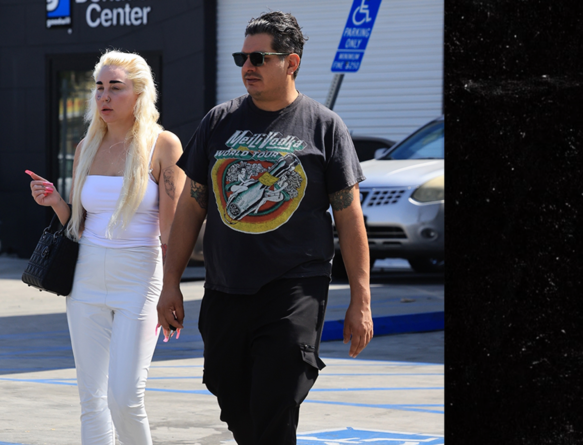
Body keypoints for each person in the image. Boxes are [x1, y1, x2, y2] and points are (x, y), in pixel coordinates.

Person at [156, 11, 374, 445]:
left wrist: (361, 301)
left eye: (259, 58)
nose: (247, 66)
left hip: (295, 287)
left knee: (277, 397)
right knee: (233, 397)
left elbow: (349, 218)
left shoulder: (324, 127)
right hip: (226, 287)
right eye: (243, 57)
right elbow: (191, 207)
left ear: (291, 63)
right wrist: (170, 283)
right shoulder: (218, 121)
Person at [27, 50, 185, 445]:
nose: (104, 96)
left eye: (116, 87)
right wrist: (55, 202)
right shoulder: (86, 147)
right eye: (99, 87)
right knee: (92, 399)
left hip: (140, 279)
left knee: (125, 398)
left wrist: (172, 287)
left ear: (140, 94)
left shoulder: (163, 145)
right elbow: (77, 225)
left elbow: (173, 230)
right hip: (86, 281)